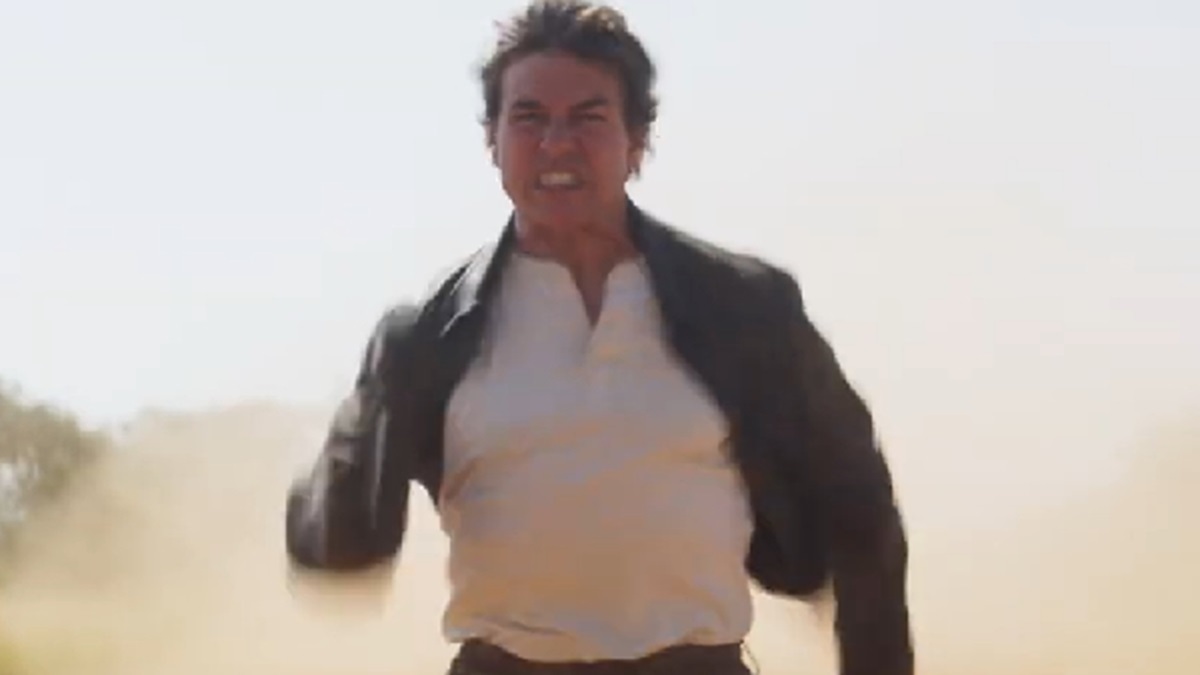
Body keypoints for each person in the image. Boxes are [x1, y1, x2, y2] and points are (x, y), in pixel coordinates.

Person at [285, 1, 913, 674]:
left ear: (637, 141)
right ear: (492, 140)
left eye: (588, 118)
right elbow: (335, 532)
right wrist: (344, 465)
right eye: (529, 118)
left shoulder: (745, 309)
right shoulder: (430, 337)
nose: (557, 144)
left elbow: (860, 506)